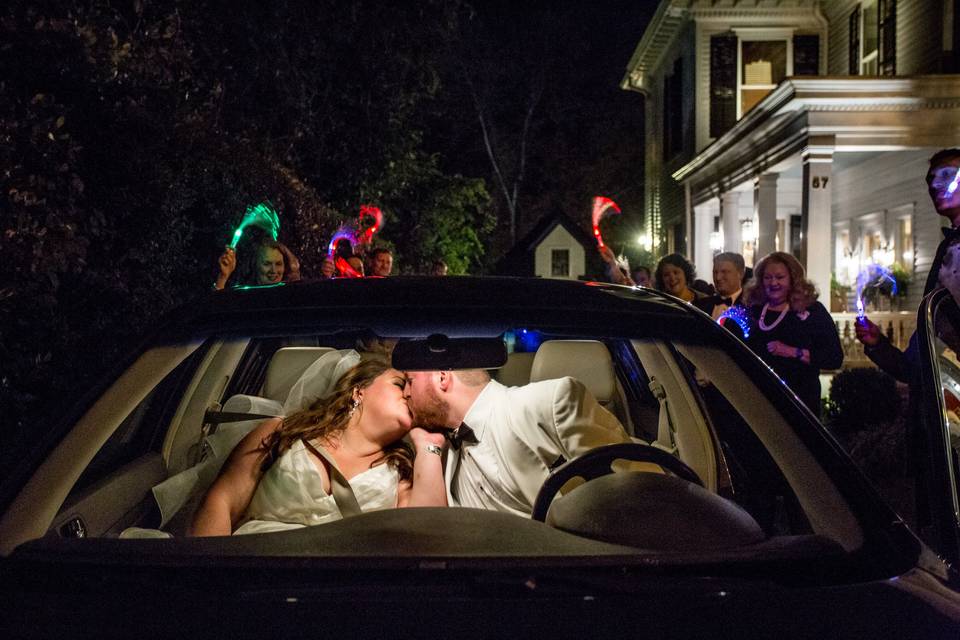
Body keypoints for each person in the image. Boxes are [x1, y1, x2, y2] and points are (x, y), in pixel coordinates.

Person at [189, 349, 446, 536]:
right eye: (400, 384)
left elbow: (425, 535)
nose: (409, 394)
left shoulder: (401, 471)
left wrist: (427, 444)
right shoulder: (284, 432)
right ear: (359, 390)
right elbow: (221, 502)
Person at [402, 368, 657, 517]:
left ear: (442, 377)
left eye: (409, 381)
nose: (405, 393)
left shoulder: (550, 402)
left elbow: (640, 500)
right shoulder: (441, 451)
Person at [743, 252, 843, 415]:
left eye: (780, 277)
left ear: (793, 279)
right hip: (759, 402)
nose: (773, 282)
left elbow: (834, 358)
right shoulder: (754, 311)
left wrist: (792, 352)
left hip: (799, 402)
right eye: (768, 277)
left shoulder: (812, 311)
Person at [214, 240, 301, 290]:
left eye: (278, 264)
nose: (274, 270)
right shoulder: (243, 295)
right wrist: (223, 277)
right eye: (267, 264)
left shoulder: (291, 297)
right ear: (255, 265)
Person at [694, 252, 747, 319]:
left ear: (741, 274)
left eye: (724, 272)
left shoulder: (752, 307)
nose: (718, 277)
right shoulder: (701, 304)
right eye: (715, 272)